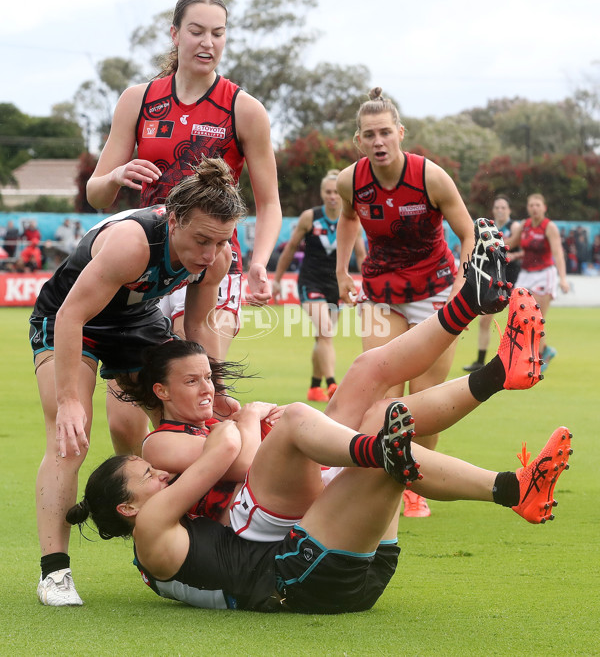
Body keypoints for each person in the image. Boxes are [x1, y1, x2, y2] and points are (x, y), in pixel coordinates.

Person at [66, 296, 571, 613]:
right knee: (314, 426)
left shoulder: (163, 529)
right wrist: (241, 415)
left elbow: (229, 457)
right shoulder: (152, 531)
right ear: (128, 508)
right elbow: (226, 453)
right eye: (148, 476)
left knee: (381, 419)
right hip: (303, 575)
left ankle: (508, 448)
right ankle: (386, 449)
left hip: (340, 562)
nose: (160, 475)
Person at [30, 157, 247, 607]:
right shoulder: (132, 243)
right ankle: (55, 573)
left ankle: (184, 529)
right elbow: (72, 314)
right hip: (70, 319)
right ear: (173, 219)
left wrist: (214, 389)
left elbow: (198, 330)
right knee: (71, 436)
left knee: (184, 420)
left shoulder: (217, 257)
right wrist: (70, 399)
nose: (208, 254)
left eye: (220, 241)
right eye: (200, 240)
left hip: (135, 321)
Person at [86, 0, 282, 352]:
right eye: (197, 31)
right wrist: (115, 176)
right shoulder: (138, 100)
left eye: (218, 33)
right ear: (175, 34)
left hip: (213, 263)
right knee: (129, 407)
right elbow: (96, 194)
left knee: (194, 378)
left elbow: (269, 203)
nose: (208, 42)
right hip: (146, 261)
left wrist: (260, 263)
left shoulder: (245, 109)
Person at [335, 87, 477, 517]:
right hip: (381, 292)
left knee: (425, 394)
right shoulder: (350, 181)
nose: (378, 142)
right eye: (369, 135)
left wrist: (461, 289)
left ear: (399, 133)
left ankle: (414, 483)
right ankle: (379, 480)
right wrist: (343, 270)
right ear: (359, 141)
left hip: (436, 291)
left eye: (385, 133)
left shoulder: (430, 177)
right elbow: (347, 218)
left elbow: (468, 233)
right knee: (380, 391)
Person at [272, 170, 366, 402]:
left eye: (336, 192)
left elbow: (362, 256)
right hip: (310, 281)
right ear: (322, 193)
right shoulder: (309, 218)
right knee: (325, 332)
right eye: (328, 192)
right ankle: (333, 384)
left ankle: (315, 388)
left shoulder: (354, 220)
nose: (333, 196)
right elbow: (290, 249)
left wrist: (366, 285)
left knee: (322, 338)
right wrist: (276, 280)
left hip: (337, 285)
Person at [506, 193, 569, 372]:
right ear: (528, 207)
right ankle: (542, 351)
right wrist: (493, 243)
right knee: (520, 317)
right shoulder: (525, 225)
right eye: (531, 205)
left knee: (536, 319)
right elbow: (511, 242)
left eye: (537, 205)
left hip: (544, 274)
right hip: (526, 274)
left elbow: (558, 253)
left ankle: (538, 357)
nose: (534, 208)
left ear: (544, 207)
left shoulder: (549, 227)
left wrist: (563, 279)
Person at [464, 195, 522, 371]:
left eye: (503, 207)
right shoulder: (490, 227)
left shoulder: (514, 227)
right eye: (497, 207)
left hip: (513, 277)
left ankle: (515, 359)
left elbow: (515, 247)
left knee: (516, 320)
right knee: (484, 320)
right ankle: (481, 360)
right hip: (494, 277)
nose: (500, 210)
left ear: (509, 211)